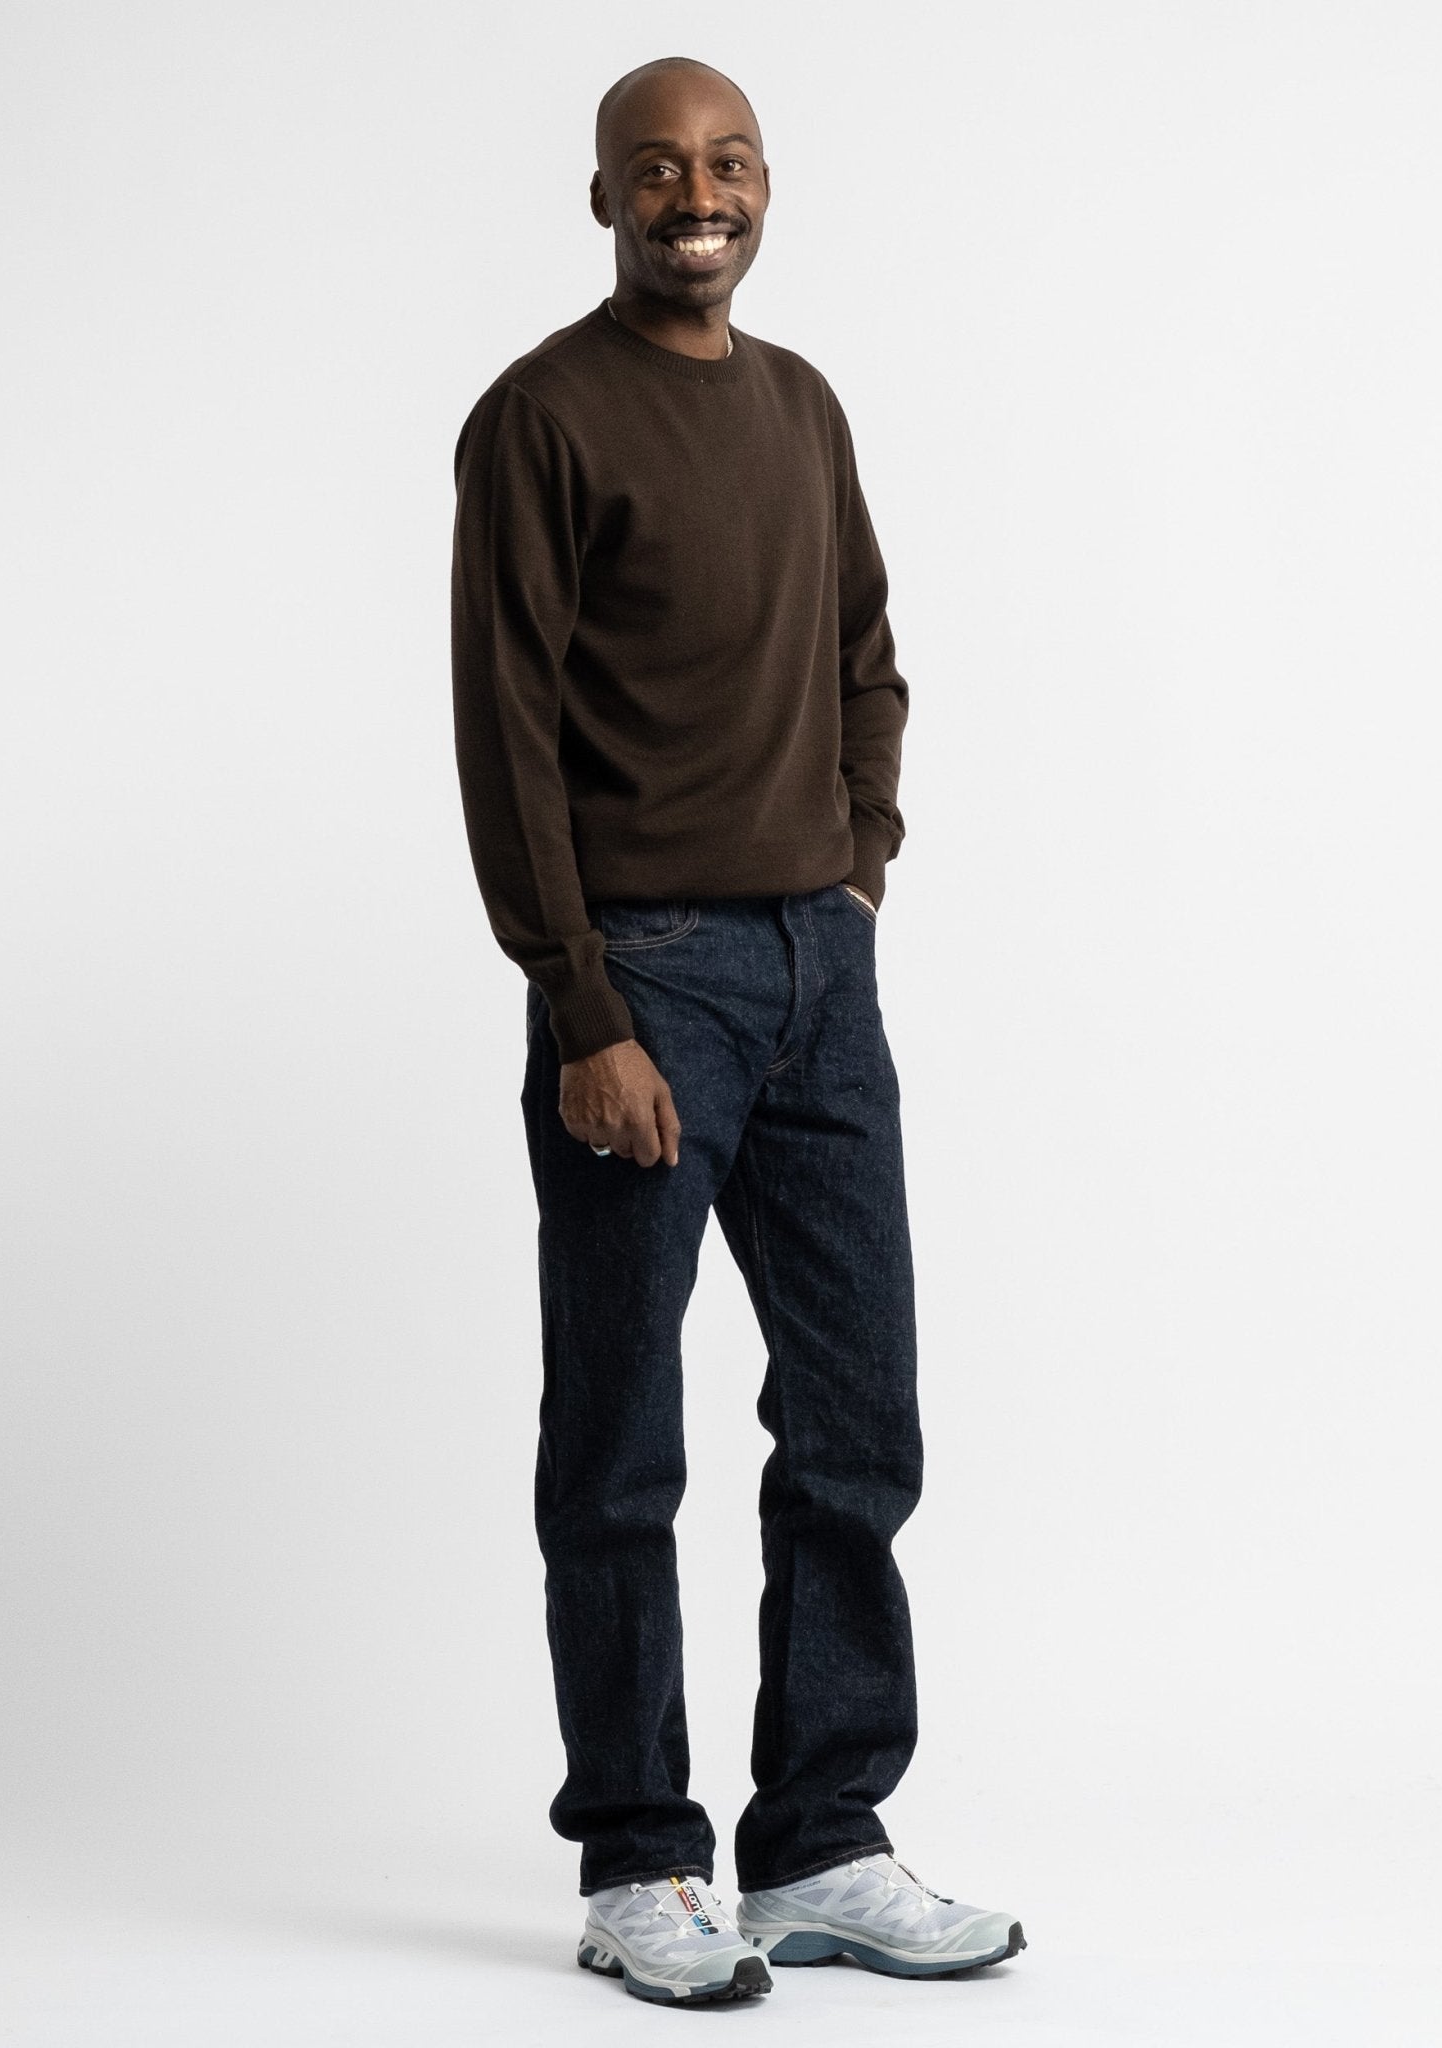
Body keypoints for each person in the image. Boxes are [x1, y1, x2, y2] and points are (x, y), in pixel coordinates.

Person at [449, 53, 1026, 2008]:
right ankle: (637, 1859)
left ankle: (820, 1842)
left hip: (815, 976)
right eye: (655, 168)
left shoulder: (801, 403)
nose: (696, 196)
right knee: (621, 1444)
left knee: (858, 1416)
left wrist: (856, 870)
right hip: (646, 979)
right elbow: (509, 735)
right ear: (603, 198)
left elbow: (868, 651)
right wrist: (583, 1004)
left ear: (764, 186)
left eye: (727, 164)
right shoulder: (543, 417)